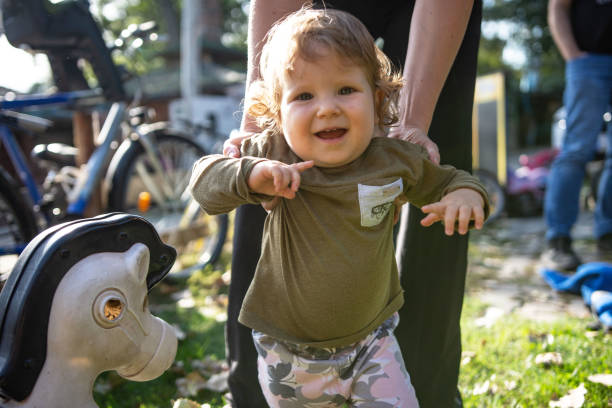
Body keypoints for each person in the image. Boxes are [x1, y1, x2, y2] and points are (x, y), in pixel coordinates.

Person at [191, 8, 489, 407]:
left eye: (346, 90)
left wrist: (466, 196)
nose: (327, 108)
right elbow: (204, 182)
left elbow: (453, 178)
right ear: (277, 112)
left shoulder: (393, 159)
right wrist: (249, 174)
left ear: (379, 99)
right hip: (288, 355)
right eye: (304, 96)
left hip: (372, 344)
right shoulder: (275, 152)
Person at [542, 0, 612, 271]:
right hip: (587, 60)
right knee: (576, 150)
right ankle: (558, 239)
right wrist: (573, 56)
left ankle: (607, 232)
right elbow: (558, 7)